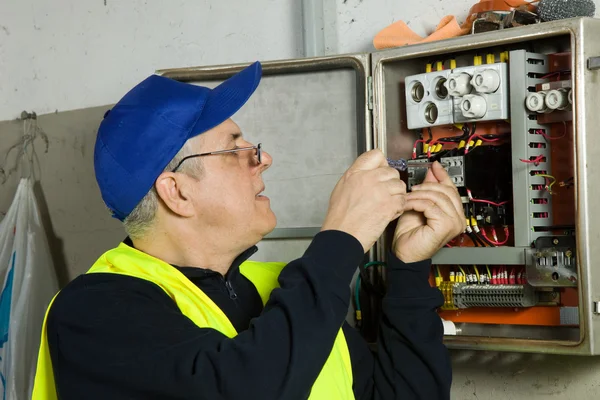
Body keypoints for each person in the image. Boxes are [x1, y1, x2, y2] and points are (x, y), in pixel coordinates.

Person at [33, 61, 466, 400]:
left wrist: (408, 269)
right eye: (236, 148)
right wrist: (342, 237)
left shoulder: (282, 288)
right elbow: (245, 388)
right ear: (177, 193)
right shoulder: (93, 312)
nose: (263, 158)